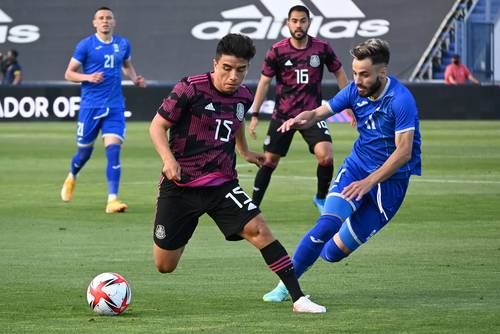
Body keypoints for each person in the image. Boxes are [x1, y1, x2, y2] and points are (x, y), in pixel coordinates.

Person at [149, 33, 326, 313]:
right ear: (215, 63)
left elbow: (237, 122)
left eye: (241, 70)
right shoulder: (190, 88)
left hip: (222, 185)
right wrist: (168, 160)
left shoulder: (243, 96)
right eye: (227, 68)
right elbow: (157, 127)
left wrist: (244, 151)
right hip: (180, 185)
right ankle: (184, 224)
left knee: (260, 230)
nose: (234, 76)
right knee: (164, 265)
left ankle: (298, 298)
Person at [262, 38, 421, 302]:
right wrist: (303, 118)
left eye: (364, 74)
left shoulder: (401, 100)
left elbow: (403, 153)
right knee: (326, 225)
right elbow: (318, 113)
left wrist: (369, 183)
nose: (356, 80)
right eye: (355, 73)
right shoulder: (352, 91)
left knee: (332, 254)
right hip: (356, 170)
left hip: (389, 186)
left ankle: (340, 225)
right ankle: (285, 287)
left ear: (382, 72)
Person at [247, 5, 350, 212]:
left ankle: (321, 199)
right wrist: (255, 113)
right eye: (294, 21)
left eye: (302, 21)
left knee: (326, 156)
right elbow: (264, 82)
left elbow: (339, 72)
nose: (298, 25)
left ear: (309, 22)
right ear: (288, 23)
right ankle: (252, 206)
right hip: (283, 115)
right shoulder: (277, 51)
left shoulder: (321, 48)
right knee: (269, 162)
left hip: (312, 115)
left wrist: (349, 103)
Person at [60, 6, 146, 213]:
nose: (105, 21)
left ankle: (112, 200)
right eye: (101, 18)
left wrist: (134, 78)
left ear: (114, 22)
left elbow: (126, 65)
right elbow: (69, 74)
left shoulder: (123, 44)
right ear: (94, 22)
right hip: (90, 106)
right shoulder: (86, 45)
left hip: (115, 106)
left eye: (108, 18)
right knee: (84, 153)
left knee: (114, 152)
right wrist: (88, 77)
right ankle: (72, 176)